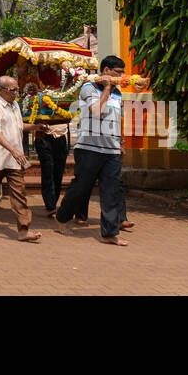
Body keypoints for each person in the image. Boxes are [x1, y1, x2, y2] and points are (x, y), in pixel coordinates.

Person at [55, 56, 130, 245]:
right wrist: (106, 87)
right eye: (117, 72)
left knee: (111, 191)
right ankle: (62, 217)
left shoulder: (118, 93)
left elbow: (116, 118)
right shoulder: (89, 88)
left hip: (111, 150)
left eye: (122, 73)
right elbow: (97, 112)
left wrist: (120, 142)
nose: (120, 76)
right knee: (81, 188)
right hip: (89, 148)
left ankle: (109, 233)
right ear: (106, 71)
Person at [0, 76, 43, 242]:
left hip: (13, 159)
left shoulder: (15, 105)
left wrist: (35, 127)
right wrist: (13, 150)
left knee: (19, 192)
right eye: (12, 90)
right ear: (1, 90)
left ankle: (23, 228)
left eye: (16, 90)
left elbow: (19, 126)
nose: (15, 93)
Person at [21, 83, 75, 216]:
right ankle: (50, 205)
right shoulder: (37, 96)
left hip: (60, 136)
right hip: (43, 136)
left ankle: (53, 201)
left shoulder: (63, 94)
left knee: (59, 170)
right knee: (47, 169)